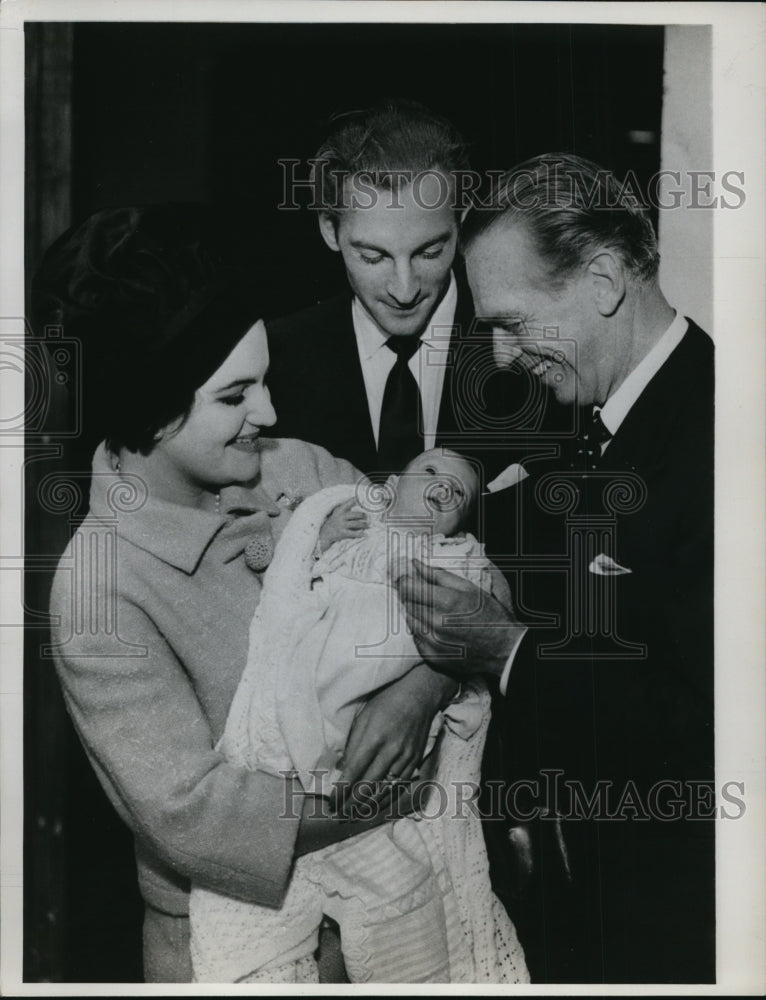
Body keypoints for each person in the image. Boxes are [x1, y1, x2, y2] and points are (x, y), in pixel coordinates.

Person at [39, 205, 458, 983]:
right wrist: (407, 790)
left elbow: (449, 582)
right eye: (234, 397)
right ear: (152, 409)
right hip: (235, 946)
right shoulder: (101, 587)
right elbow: (194, 816)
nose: (266, 414)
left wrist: (423, 688)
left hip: (399, 915)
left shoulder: (296, 468)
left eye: (262, 382)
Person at [395, 154, 715, 984]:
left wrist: (505, 649)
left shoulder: (723, 438)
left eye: (512, 322)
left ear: (605, 278)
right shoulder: (612, 423)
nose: (499, 357)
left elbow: (708, 731)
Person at [189, 448, 529, 983]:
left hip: (382, 708)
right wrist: (314, 535)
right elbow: (268, 564)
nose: (442, 489)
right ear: (390, 486)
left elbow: (494, 616)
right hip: (309, 682)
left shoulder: (455, 556)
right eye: (432, 474)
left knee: (406, 909)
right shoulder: (351, 522)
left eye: (458, 493)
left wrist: (432, 680)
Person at [266, 99, 543, 479]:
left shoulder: (535, 355)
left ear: (461, 225)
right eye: (373, 257)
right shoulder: (274, 361)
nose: (404, 288)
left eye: (429, 252)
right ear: (330, 229)